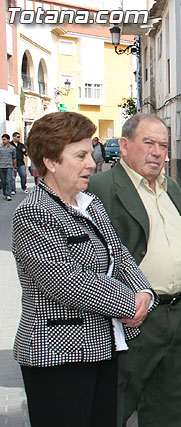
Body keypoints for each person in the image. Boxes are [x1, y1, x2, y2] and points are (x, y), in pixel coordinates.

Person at [12, 112, 156, 427]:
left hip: (100, 348)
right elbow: (66, 282)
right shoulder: (33, 213)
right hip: (55, 357)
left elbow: (119, 254)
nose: (92, 163)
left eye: (90, 153)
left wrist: (145, 292)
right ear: (50, 161)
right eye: (80, 155)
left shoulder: (90, 203)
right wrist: (129, 302)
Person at [88, 114, 181, 427]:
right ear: (124, 146)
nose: (157, 151)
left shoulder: (172, 188)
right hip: (134, 320)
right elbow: (92, 259)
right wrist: (120, 304)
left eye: (163, 145)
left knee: (170, 411)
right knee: (115, 407)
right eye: (148, 142)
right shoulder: (101, 188)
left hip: (179, 315)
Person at [0, 133, 16, 200]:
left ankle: (8, 194)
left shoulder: (12, 148)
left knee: (8, 180)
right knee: (3, 181)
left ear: (8, 140)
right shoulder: (0, 148)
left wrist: (15, 167)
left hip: (9, 166)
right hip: (1, 166)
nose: (3, 141)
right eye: (3, 140)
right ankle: (4, 193)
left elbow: (14, 158)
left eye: (5, 139)